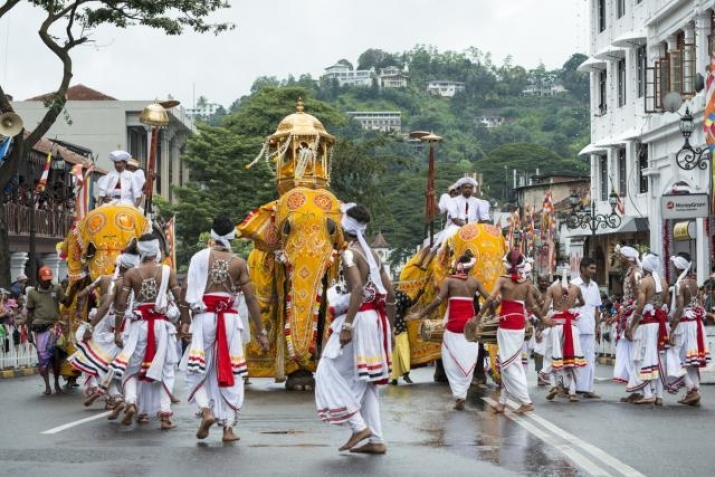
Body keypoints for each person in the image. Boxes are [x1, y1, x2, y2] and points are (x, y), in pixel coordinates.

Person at [181, 214, 270, 442]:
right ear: (232, 236)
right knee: (232, 370)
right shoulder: (239, 263)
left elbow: (185, 292)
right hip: (229, 321)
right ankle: (228, 428)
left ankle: (207, 411)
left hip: (203, 318)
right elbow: (250, 300)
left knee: (195, 369)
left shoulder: (199, 258)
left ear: (212, 235)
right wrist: (261, 332)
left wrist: (185, 321)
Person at [315, 204, 395, 455]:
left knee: (326, 369)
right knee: (367, 381)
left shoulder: (350, 254)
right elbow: (390, 294)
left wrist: (347, 325)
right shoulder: (373, 254)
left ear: (345, 226)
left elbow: (358, 289)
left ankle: (358, 426)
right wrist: (390, 330)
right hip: (375, 320)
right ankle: (376, 440)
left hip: (357, 319)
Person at [111, 233, 182, 429]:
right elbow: (180, 299)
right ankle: (165, 416)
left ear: (141, 250)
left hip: (138, 327)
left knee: (131, 370)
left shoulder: (131, 273)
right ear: (157, 250)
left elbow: (121, 305)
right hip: (162, 326)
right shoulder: (168, 271)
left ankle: (132, 402)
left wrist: (117, 331)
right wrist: (186, 322)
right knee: (166, 370)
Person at [409, 251, 489, 410]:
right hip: (469, 328)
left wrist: (421, 314)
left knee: (449, 360)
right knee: (468, 359)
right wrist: (481, 316)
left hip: (452, 326)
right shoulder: (475, 282)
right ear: (470, 268)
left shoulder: (449, 281)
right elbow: (490, 298)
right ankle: (462, 393)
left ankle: (459, 394)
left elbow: (438, 301)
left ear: (457, 267)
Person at [472, 250, 543, 414]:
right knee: (508, 365)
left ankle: (526, 401)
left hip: (506, 325)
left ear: (507, 264)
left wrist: (479, 316)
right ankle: (502, 403)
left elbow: (490, 299)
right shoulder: (526, 283)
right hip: (518, 326)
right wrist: (544, 320)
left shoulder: (503, 280)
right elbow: (532, 306)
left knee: (508, 364)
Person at [68, 252, 140, 410]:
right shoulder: (139, 282)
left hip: (109, 324)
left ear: (118, 266)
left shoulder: (108, 280)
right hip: (133, 327)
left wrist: (83, 316)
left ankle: (114, 396)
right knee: (122, 366)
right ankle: (125, 399)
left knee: (101, 360)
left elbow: (88, 297)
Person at [625, 253, 669, 405]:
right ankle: (659, 396)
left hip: (647, 325)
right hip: (660, 325)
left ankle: (648, 393)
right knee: (658, 358)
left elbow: (640, 306)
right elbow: (666, 305)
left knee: (643, 357)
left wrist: (631, 327)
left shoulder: (645, 282)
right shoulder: (663, 282)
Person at [668, 253, 710, 406]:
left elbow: (679, 308)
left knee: (675, 356)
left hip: (684, 324)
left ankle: (691, 388)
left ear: (678, 267)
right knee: (690, 360)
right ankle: (694, 390)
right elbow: (699, 304)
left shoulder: (680, 284)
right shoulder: (694, 283)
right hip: (696, 324)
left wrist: (671, 330)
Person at [541, 271, 586, 402]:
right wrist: (571, 307)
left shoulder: (552, 289)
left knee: (554, 357)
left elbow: (545, 308)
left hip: (556, 326)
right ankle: (572, 392)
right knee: (572, 359)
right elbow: (583, 303)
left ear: (557, 277)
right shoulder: (577, 289)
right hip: (572, 327)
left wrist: (541, 320)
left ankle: (555, 385)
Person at [26, 266, 66, 395]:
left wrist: (74, 288)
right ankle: (47, 386)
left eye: (49, 279)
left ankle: (56, 383)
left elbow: (66, 301)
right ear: (39, 278)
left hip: (54, 327)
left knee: (57, 356)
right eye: (45, 280)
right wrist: (28, 333)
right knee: (43, 359)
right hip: (40, 328)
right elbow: (30, 313)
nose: (48, 282)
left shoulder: (57, 288)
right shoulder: (32, 292)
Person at [612, 246, 641, 402]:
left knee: (633, 354)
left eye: (621, 256)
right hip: (627, 316)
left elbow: (639, 299)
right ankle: (634, 388)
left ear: (628, 258)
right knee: (628, 353)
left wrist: (627, 309)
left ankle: (638, 389)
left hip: (633, 317)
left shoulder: (636, 274)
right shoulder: (631, 273)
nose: (619, 259)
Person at [571, 257, 602, 398]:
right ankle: (573, 388)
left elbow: (596, 308)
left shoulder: (594, 286)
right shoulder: (573, 285)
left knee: (589, 359)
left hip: (590, 327)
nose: (593, 271)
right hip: (576, 327)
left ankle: (588, 389)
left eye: (594, 268)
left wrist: (598, 325)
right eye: (591, 268)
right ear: (582, 268)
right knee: (576, 358)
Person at [389, 287, 423, 386]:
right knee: (393, 355)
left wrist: (418, 295)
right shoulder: (382, 296)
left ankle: (406, 374)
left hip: (401, 327)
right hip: (390, 329)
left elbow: (410, 303)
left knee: (405, 352)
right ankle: (394, 378)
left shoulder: (400, 294)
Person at [533, 274, 551, 384]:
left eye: (546, 281)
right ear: (538, 281)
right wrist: (539, 326)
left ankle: (545, 374)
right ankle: (539, 376)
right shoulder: (533, 291)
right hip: (537, 321)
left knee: (548, 351)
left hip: (548, 323)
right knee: (538, 351)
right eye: (542, 281)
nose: (544, 283)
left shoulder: (550, 291)